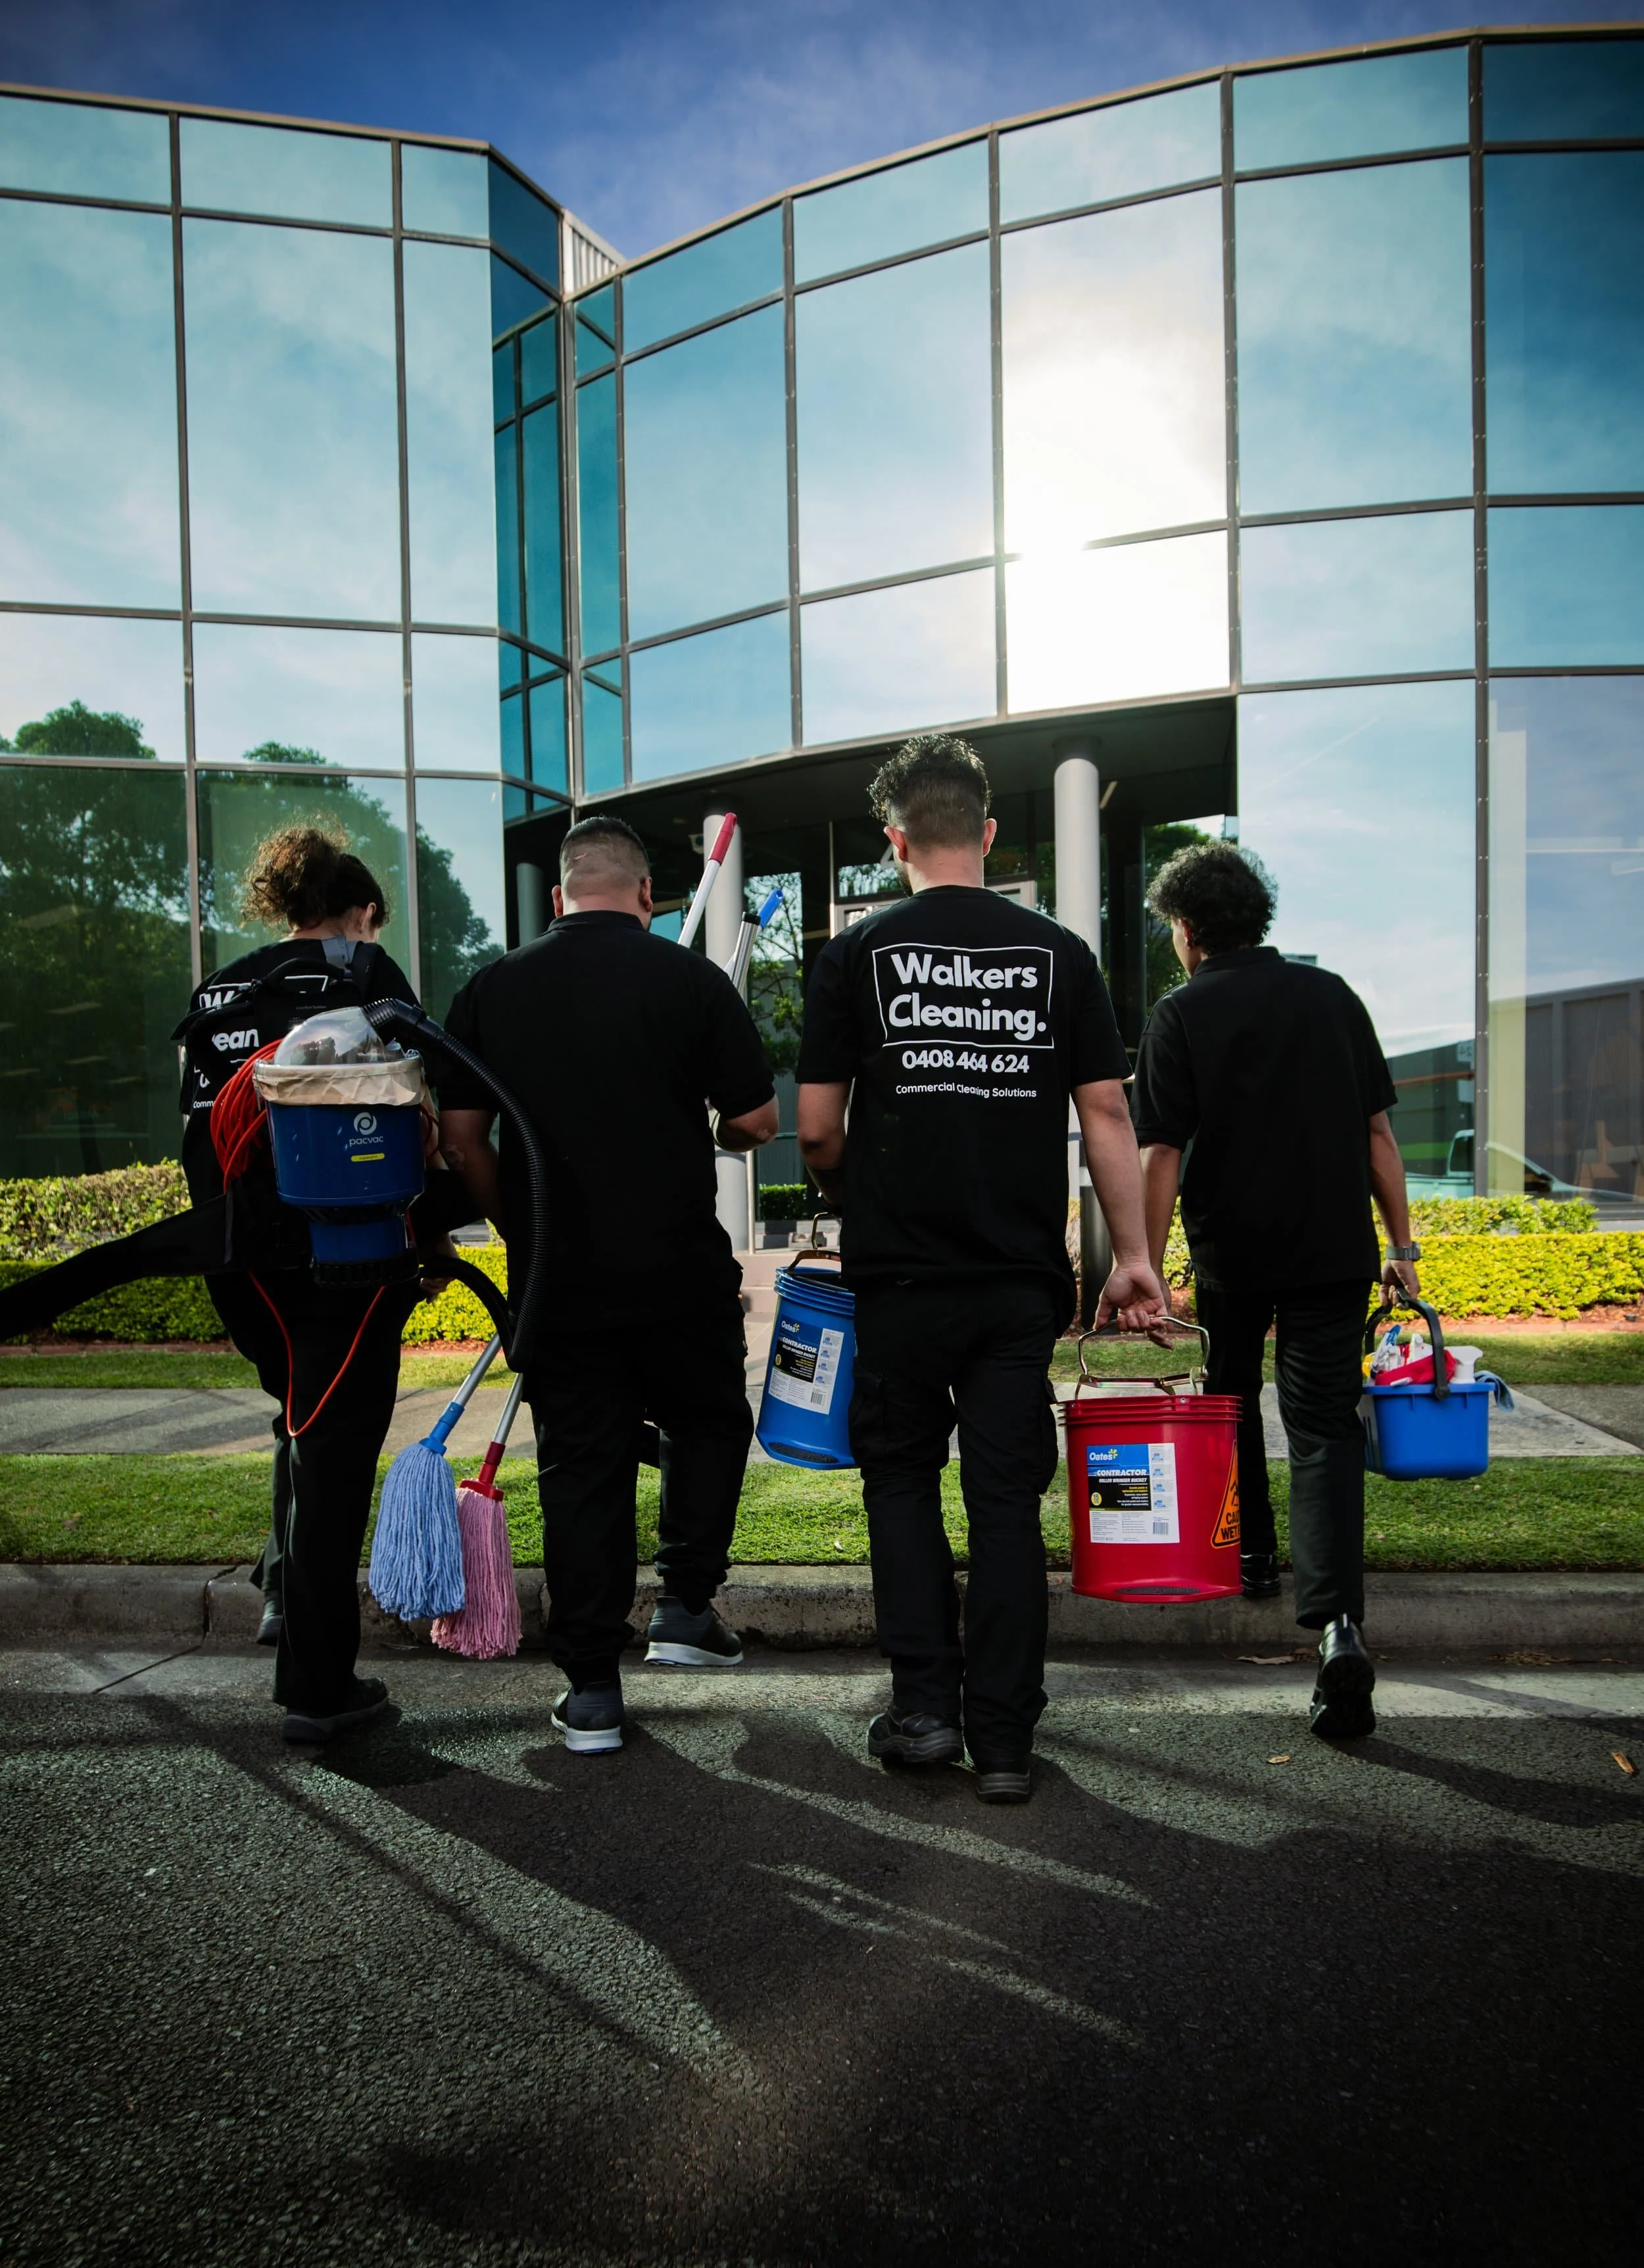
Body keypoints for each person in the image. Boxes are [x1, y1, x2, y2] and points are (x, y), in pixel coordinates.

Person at [796, 735, 1167, 1804]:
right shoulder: (1062, 955)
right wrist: (1134, 1259)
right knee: (1006, 1507)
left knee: (902, 1484)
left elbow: (817, 1131)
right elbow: (1107, 1111)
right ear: (991, 834)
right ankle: (1004, 1740)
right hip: (1014, 1286)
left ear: (895, 840)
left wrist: (853, 1195)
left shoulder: (856, 957)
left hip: (900, 1280)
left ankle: (924, 1714)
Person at [436, 814, 777, 1755]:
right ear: (646, 897)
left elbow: (461, 1139)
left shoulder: (492, 989)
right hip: (677, 1268)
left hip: (562, 1279)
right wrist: (716, 1133)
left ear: (557, 897)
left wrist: (520, 1228)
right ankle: (686, 1604)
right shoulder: (691, 982)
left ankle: (592, 1692)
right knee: (709, 1422)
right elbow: (755, 1117)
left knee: (582, 1467)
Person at [1130, 840, 1421, 1741]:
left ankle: (1251, 1556)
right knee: (1325, 1426)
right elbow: (1378, 1134)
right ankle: (1338, 1626)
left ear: (1186, 930)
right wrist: (1402, 1246)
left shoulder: (1181, 1015)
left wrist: (1141, 1257)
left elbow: (1162, 1152)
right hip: (1334, 1252)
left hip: (1234, 1254)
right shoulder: (1334, 998)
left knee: (1229, 1402)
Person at [177, 826, 427, 1743]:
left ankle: (283, 1591)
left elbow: (197, 1134)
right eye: (372, 922)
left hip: (238, 1261)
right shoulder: (365, 977)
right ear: (359, 913)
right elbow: (417, 1109)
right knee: (335, 1452)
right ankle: (320, 1689)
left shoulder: (220, 989)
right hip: (341, 1260)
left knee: (299, 1418)